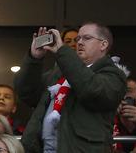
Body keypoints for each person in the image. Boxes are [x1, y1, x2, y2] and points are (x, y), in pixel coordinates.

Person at [14, 24, 126, 153]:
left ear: (103, 45)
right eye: (78, 39)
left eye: (87, 38)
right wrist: (34, 58)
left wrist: (62, 50)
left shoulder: (113, 75)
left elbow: (92, 90)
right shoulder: (59, 73)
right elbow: (27, 93)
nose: (79, 43)